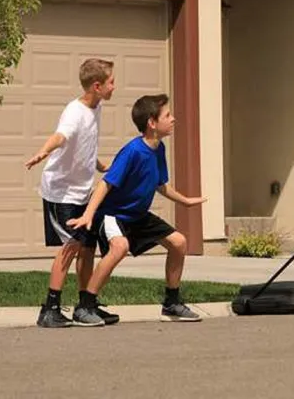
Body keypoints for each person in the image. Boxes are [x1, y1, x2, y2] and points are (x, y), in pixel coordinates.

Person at [67, 93, 207, 324]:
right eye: (167, 115)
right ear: (152, 123)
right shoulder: (132, 151)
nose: (173, 119)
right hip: (112, 214)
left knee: (179, 242)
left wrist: (185, 201)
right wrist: (89, 214)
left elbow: (160, 185)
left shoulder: (158, 148)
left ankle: (171, 303)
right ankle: (85, 307)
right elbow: (106, 183)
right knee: (120, 246)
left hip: (137, 215)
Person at [25, 58, 117, 328]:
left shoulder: (96, 107)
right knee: (71, 246)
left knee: (87, 248)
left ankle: (85, 306)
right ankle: (50, 309)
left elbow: (84, 144)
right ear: (97, 86)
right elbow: (61, 136)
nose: (115, 87)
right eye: (111, 82)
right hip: (60, 192)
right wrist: (44, 151)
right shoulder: (74, 112)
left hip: (82, 191)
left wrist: (100, 165)